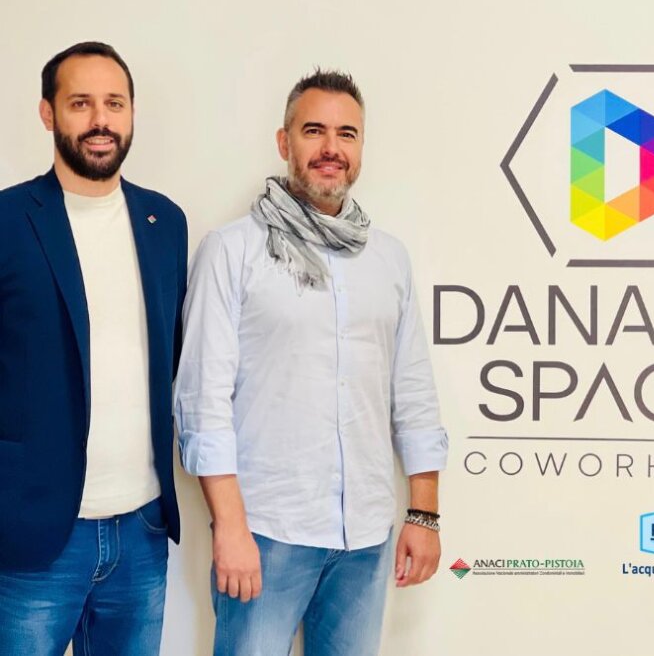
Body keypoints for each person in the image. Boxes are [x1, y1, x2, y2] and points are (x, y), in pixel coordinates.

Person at [175, 69, 447, 656]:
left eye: (347, 134)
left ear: (361, 148)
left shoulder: (389, 259)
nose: (331, 148)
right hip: (267, 531)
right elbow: (201, 400)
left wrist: (423, 515)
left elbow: (413, 391)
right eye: (314, 130)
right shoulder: (232, 250)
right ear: (284, 142)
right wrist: (230, 527)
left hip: (365, 536)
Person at [0, 41, 187, 655]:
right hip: (32, 536)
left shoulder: (165, 222)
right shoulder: (8, 221)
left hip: (142, 529)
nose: (100, 120)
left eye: (115, 103)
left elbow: (171, 356)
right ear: (48, 113)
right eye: (80, 103)